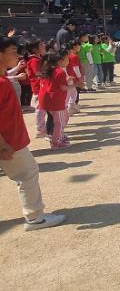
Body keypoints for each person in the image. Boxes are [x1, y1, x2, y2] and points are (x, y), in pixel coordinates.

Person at [0, 36, 66, 231]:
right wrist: (3, 144)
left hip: (11, 139)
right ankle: (35, 217)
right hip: (10, 141)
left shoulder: (4, 79)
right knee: (27, 174)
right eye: (12, 51)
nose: (18, 55)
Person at [38, 50, 72, 149]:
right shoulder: (60, 71)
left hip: (47, 101)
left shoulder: (48, 70)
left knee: (60, 120)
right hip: (56, 101)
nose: (67, 60)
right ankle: (57, 141)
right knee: (59, 123)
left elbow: (54, 84)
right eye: (66, 59)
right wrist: (75, 85)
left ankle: (58, 138)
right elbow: (63, 87)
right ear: (60, 61)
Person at [65, 40, 83, 115]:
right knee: (72, 93)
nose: (80, 47)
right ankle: (70, 107)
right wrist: (79, 78)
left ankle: (72, 106)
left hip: (69, 77)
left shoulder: (69, 55)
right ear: (74, 47)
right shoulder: (74, 56)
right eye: (78, 45)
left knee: (72, 93)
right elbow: (76, 68)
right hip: (72, 77)